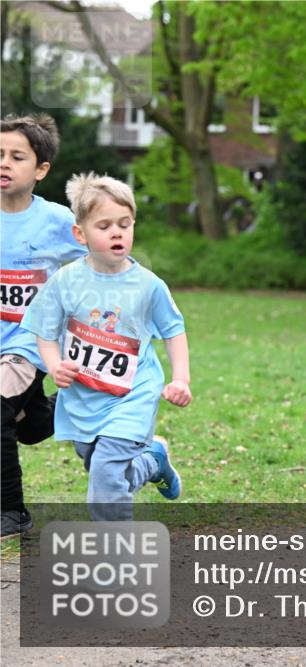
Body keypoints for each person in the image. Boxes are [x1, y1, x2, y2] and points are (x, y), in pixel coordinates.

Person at [21, 173, 190, 522]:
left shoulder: (148, 285)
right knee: (103, 467)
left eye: (124, 224)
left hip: (133, 395)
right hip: (84, 399)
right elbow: (44, 329)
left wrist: (181, 379)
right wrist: (54, 365)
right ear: (80, 234)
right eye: (105, 225)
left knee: (106, 471)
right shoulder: (66, 281)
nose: (117, 232)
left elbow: (174, 330)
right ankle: (153, 459)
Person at [0, 113, 86, 538]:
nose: (4, 163)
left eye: (17, 156)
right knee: (29, 428)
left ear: (41, 170)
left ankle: (12, 512)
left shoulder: (56, 221)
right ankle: (76, 407)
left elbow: (108, 254)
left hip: (31, 343)